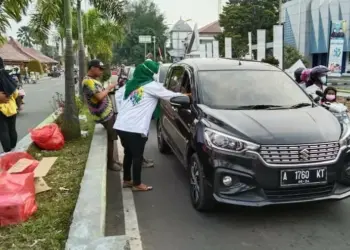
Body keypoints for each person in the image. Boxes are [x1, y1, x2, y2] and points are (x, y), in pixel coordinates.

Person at [114, 60, 185, 191]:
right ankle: (137, 183)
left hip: (121, 125)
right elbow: (170, 96)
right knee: (137, 156)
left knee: (128, 153)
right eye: (154, 73)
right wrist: (187, 95)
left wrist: (126, 110)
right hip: (135, 127)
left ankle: (126, 180)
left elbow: (118, 96)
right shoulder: (151, 85)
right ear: (149, 73)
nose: (155, 76)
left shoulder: (130, 84)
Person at [82, 59, 120, 171]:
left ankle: (112, 160)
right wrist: (108, 88)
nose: (101, 72)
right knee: (111, 138)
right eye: (100, 69)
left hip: (107, 113)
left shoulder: (93, 80)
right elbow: (98, 97)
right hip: (104, 115)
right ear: (92, 68)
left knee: (111, 138)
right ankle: (111, 164)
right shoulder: (88, 81)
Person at [0, 57, 19, 152]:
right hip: (11, 108)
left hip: (1, 109)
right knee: (12, 129)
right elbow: (16, 93)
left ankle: (7, 152)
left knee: (3, 131)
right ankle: (13, 149)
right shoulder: (6, 76)